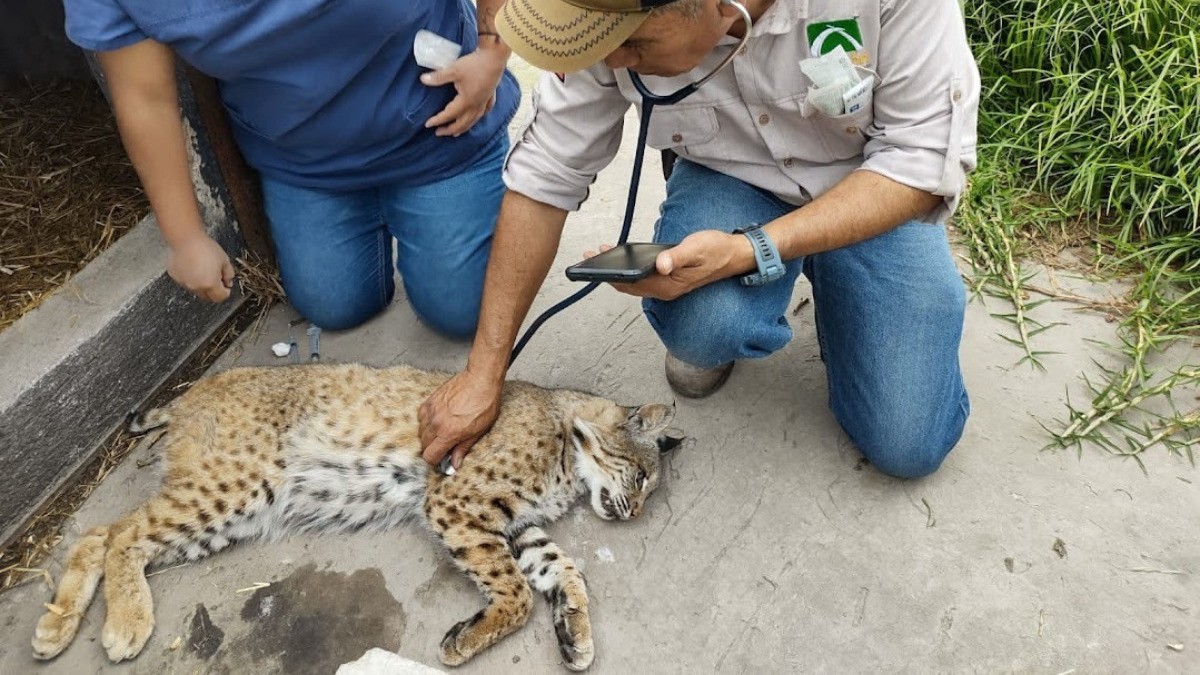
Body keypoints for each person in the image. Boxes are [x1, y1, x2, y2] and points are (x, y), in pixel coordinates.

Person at [418, 0, 980, 478]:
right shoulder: (608, 20)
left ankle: (838, 288)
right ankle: (761, 305)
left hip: (871, 185)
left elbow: (920, 160)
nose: (612, 60)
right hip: (733, 178)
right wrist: (482, 374)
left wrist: (751, 250)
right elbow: (543, 179)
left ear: (720, 6)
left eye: (635, 43)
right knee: (706, 325)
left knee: (908, 444)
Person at [62, 0, 520, 338]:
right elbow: (145, 99)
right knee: (334, 307)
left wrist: (491, 50)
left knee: (464, 315)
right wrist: (185, 238)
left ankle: (455, 188)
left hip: (436, 129)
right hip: (304, 156)